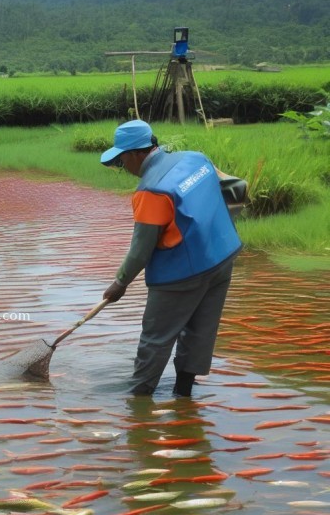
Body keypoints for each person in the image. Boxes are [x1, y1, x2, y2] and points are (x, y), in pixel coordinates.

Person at [100, 119, 246, 397]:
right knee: (201, 330)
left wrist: (119, 283)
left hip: (182, 272)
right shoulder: (196, 159)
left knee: (155, 339)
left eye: (121, 161)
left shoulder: (151, 191)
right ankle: (184, 394)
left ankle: (139, 402)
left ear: (136, 154)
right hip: (222, 258)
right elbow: (233, 187)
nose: (123, 168)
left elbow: (141, 250)